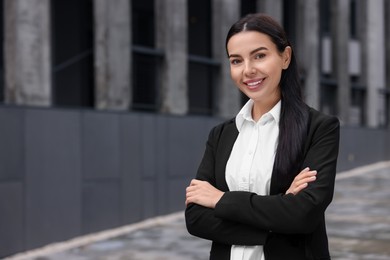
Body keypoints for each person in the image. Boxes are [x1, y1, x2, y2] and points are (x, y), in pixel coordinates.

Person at [185, 13, 340, 260]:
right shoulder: (221, 135)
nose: (248, 70)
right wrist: (279, 209)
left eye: (259, 56)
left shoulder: (319, 128)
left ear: (285, 57)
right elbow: (196, 219)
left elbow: (304, 215)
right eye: (236, 61)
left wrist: (221, 200)